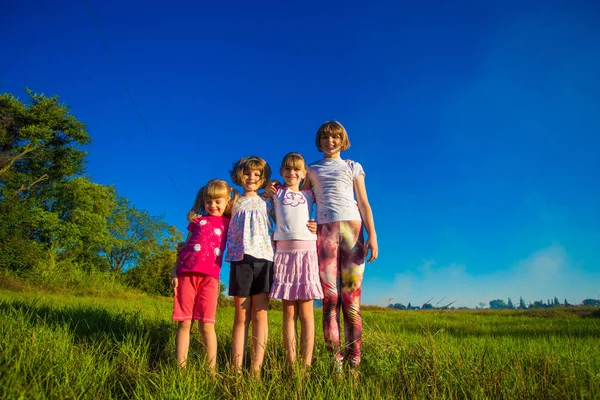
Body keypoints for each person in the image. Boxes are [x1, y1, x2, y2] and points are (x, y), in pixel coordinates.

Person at [306, 120, 378, 375]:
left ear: (342, 140)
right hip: (324, 233)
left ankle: (354, 361)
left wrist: (372, 235)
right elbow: (298, 199)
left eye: (335, 137)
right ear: (319, 142)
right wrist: (275, 191)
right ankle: (334, 361)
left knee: (351, 301)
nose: (330, 141)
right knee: (330, 299)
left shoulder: (353, 167)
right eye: (325, 137)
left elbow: (364, 203)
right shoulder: (311, 170)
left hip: (353, 231)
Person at [171, 179, 238, 372]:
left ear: (227, 201)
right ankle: (180, 369)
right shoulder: (197, 222)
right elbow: (185, 248)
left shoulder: (229, 223)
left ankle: (211, 371)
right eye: (209, 201)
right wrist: (175, 271)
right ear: (203, 201)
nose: (213, 205)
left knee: (207, 325)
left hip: (210, 278)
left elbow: (239, 205)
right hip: (186, 274)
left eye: (218, 201)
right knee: (184, 323)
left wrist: (233, 193)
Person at [269, 152, 323, 368]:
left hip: (307, 253)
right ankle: (291, 365)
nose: (292, 173)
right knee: (289, 312)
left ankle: (306, 365)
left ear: (303, 174)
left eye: (296, 169)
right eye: (288, 169)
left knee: (306, 312)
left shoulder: (310, 194)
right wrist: (268, 187)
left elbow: (327, 208)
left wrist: (317, 224)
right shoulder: (276, 192)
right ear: (282, 172)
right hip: (284, 255)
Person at [225, 156, 276, 375]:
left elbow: (293, 213)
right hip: (240, 260)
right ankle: (235, 368)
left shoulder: (269, 201)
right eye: (247, 173)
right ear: (239, 174)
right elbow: (214, 214)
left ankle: (256, 369)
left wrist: (311, 225)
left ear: (264, 178)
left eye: (257, 174)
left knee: (260, 315)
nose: (251, 178)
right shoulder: (232, 201)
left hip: (264, 260)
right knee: (241, 316)